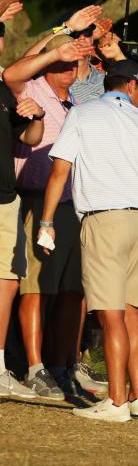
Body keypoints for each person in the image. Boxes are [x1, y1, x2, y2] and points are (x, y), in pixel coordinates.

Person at [41, 59, 138, 422]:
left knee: (111, 313)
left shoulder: (83, 115)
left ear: (108, 84)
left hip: (105, 220)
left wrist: (47, 220)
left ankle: (116, 403)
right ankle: (137, 399)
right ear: (131, 88)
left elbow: (59, 172)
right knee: (133, 312)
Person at [3, 31, 97, 398]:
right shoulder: (32, 89)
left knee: (69, 290)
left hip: (72, 204)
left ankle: (62, 363)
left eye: (72, 63)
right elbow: (13, 72)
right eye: (60, 62)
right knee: (36, 289)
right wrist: (57, 37)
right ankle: (34, 366)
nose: (67, 68)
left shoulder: (76, 101)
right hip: (36, 200)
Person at [0, 79, 44, 398]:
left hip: (4, 199)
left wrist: (38, 117)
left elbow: (28, 138)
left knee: (8, 282)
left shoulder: (3, 89)